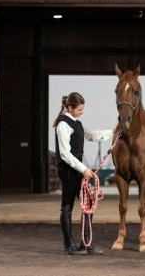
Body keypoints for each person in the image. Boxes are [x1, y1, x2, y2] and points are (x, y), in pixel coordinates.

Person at [52, 92, 118, 255]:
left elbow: (89, 135)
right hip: (68, 170)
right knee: (67, 206)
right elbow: (65, 154)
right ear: (70, 108)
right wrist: (84, 169)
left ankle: (85, 243)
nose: (82, 112)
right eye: (80, 109)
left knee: (88, 204)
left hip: (76, 169)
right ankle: (68, 244)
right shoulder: (63, 125)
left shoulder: (76, 123)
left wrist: (112, 131)